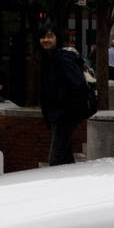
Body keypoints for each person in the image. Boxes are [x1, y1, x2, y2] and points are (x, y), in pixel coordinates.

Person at [37, 22, 89, 166]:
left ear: (57, 38)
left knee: (55, 158)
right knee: (65, 157)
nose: (45, 40)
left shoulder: (63, 58)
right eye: (42, 37)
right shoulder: (49, 58)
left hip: (64, 115)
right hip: (57, 115)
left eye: (49, 36)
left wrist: (69, 112)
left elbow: (78, 85)